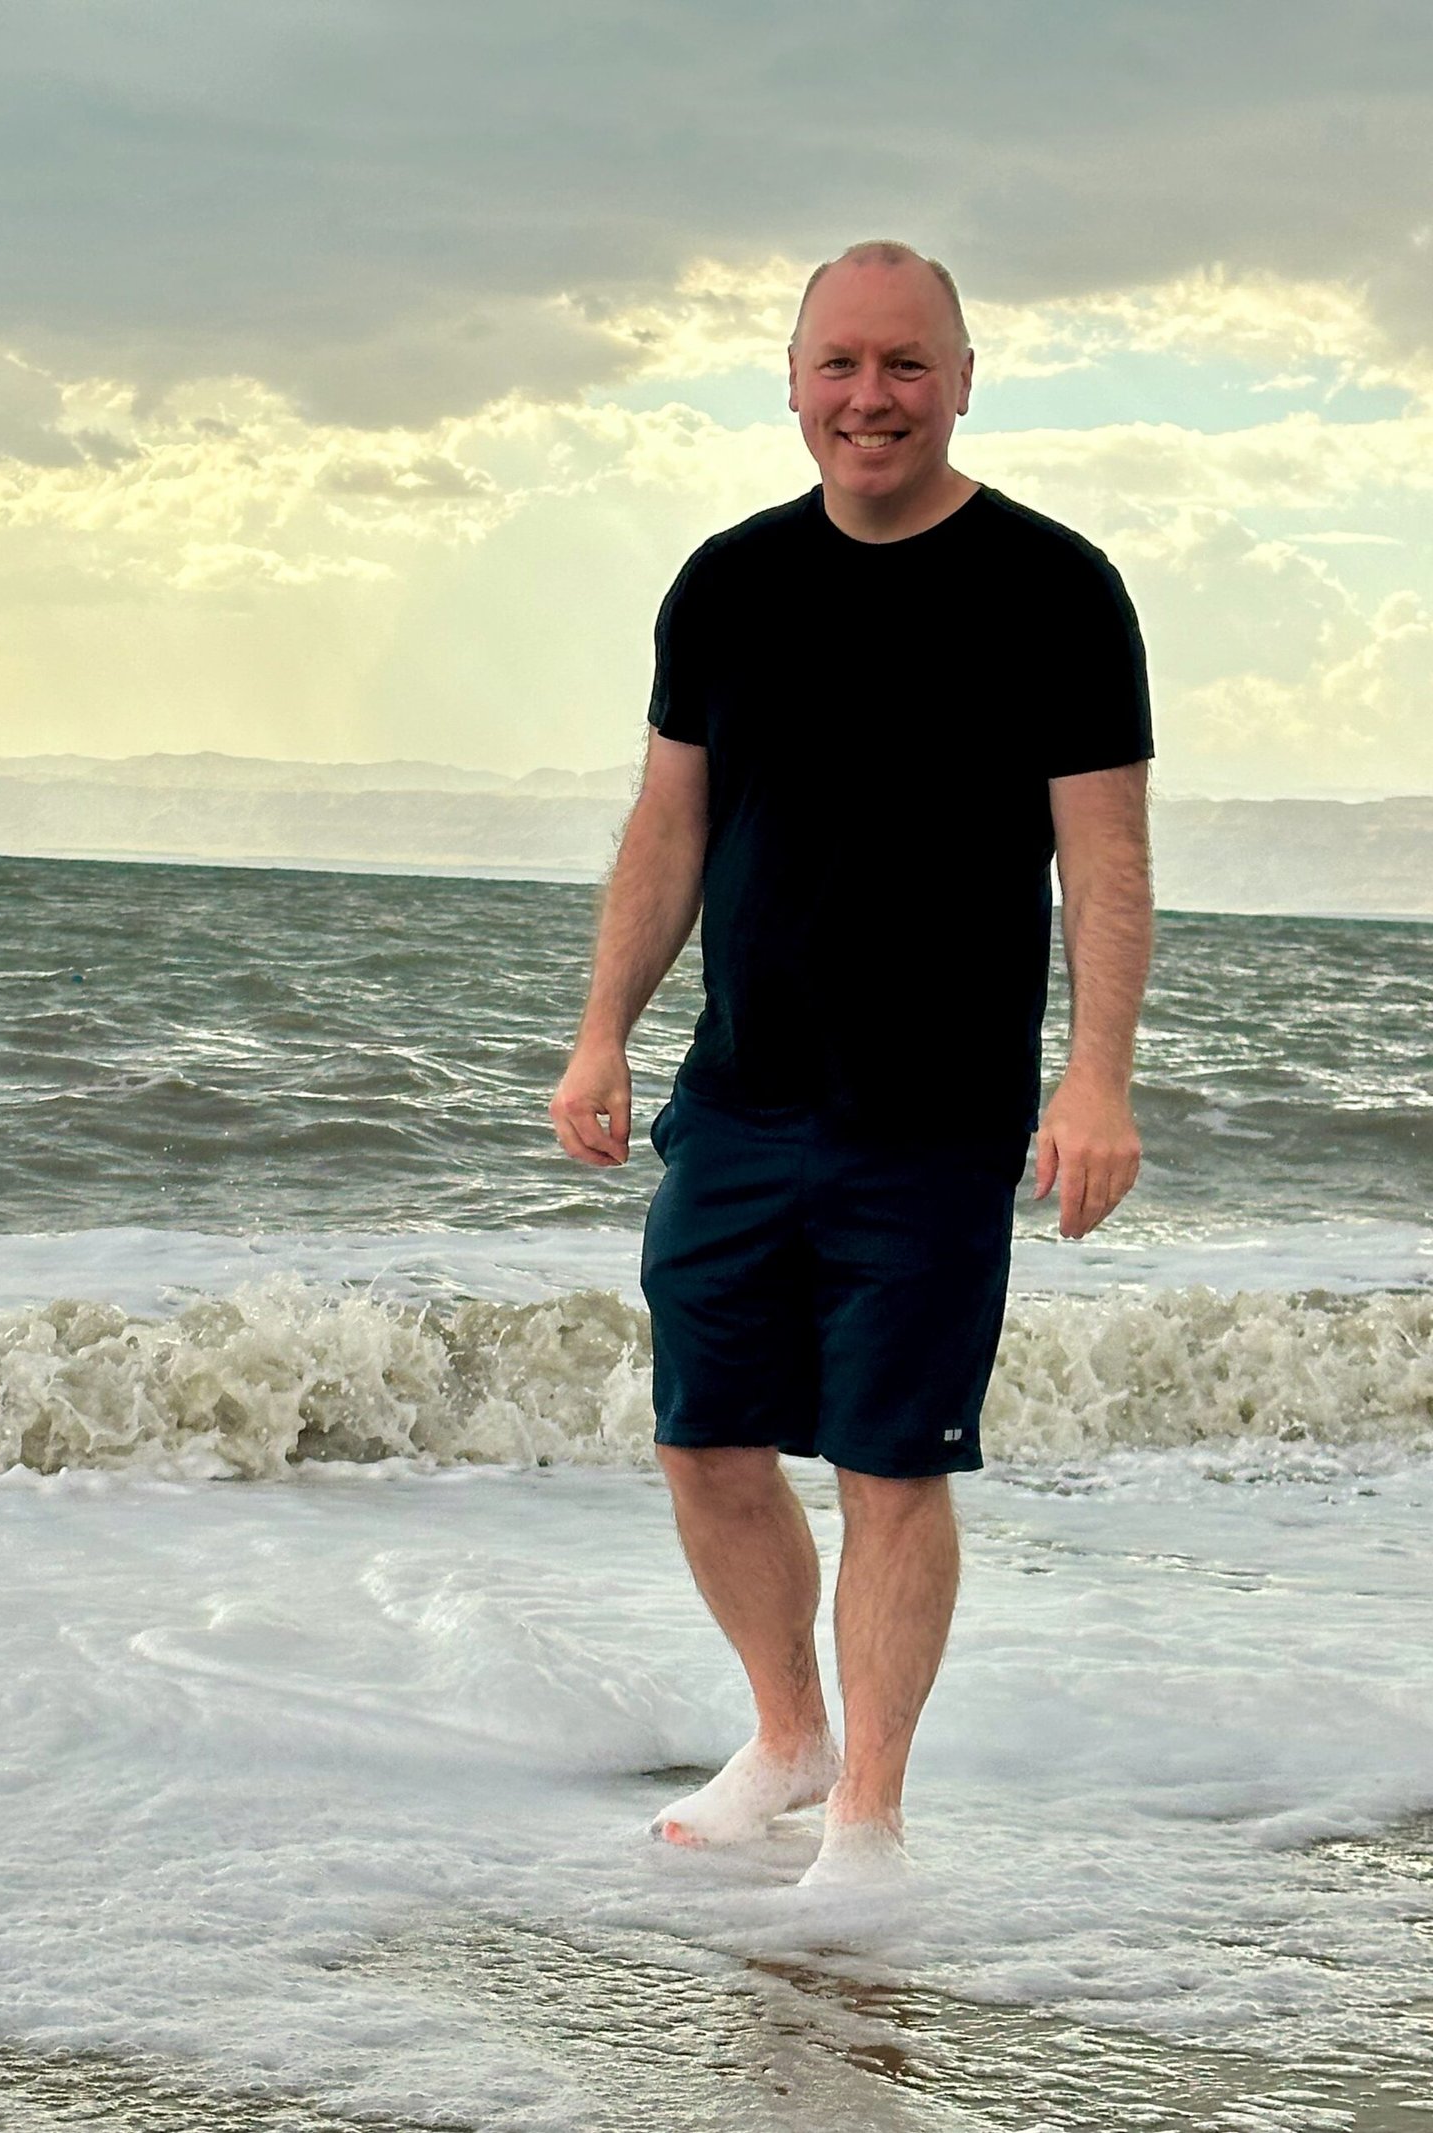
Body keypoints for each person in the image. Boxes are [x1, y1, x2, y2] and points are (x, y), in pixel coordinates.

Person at [549, 238, 1154, 1889]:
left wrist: (1096, 1078)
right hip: (737, 1100)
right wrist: (603, 1030)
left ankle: (870, 1816)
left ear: (964, 379)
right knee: (705, 1437)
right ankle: (789, 1732)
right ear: (795, 383)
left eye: (905, 365)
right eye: (840, 366)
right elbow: (668, 827)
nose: (870, 398)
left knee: (892, 1465)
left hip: (935, 1122)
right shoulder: (729, 583)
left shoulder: (1055, 588)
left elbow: (1102, 857)